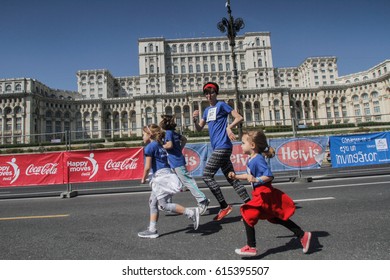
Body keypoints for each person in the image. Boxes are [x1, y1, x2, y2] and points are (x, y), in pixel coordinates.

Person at [229, 130, 312, 256]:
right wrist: (236, 176)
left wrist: (257, 179)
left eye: (243, 143)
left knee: (247, 214)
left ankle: (251, 246)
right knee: (275, 217)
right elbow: (248, 175)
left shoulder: (258, 160)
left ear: (252, 146)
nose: (240, 145)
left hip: (264, 193)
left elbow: (269, 175)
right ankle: (302, 235)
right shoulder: (252, 159)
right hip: (260, 193)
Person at [193, 82, 251, 221]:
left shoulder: (222, 105)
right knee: (232, 178)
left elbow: (239, 117)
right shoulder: (207, 111)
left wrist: (229, 127)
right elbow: (199, 129)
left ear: (216, 93)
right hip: (218, 147)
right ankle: (251, 205)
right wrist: (194, 120)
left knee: (207, 175)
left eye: (211, 92)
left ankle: (224, 206)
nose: (209, 95)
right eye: (206, 93)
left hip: (223, 146)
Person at [138, 124, 200, 239]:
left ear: (150, 134)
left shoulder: (150, 147)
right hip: (166, 174)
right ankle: (152, 229)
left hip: (161, 178)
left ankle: (190, 212)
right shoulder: (160, 145)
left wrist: (143, 178)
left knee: (164, 205)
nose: (142, 137)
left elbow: (147, 167)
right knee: (153, 202)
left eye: (143, 134)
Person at [159, 115, 210, 215]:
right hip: (174, 161)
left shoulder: (169, 133)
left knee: (188, 182)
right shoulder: (174, 133)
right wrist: (180, 149)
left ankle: (202, 200)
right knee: (170, 182)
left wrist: (160, 146)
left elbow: (169, 145)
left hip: (176, 162)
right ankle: (167, 203)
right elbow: (184, 139)